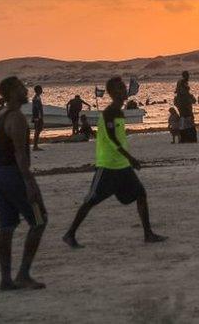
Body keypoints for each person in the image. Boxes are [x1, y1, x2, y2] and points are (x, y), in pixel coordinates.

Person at [63, 76, 166, 248]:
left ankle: (148, 233)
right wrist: (130, 157)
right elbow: (111, 139)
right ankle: (70, 233)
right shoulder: (110, 112)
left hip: (122, 166)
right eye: (120, 88)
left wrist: (127, 159)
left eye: (123, 87)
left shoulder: (119, 112)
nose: (124, 90)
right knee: (90, 201)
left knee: (141, 194)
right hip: (108, 166)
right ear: (112, 93)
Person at [0, 76, 46, 290]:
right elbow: (20, 155)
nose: (26, 90)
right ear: (13, 92)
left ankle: (6, 279)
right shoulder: (17, 118)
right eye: (22, 87)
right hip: (13, 176)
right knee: (39, 220)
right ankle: (23, 274)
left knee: (7, 226)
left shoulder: (0, 115)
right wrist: (29, 183)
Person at [31, 85, 44, 151]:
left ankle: (35, 145)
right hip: (37, 116)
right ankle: (35, 146)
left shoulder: (37, 97)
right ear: (38, 90)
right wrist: (38, 117)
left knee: (38, 130)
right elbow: (36, 109)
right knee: (37, 130)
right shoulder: (36, 98)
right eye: (41, 89)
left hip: (37, 116)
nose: (42, 90)